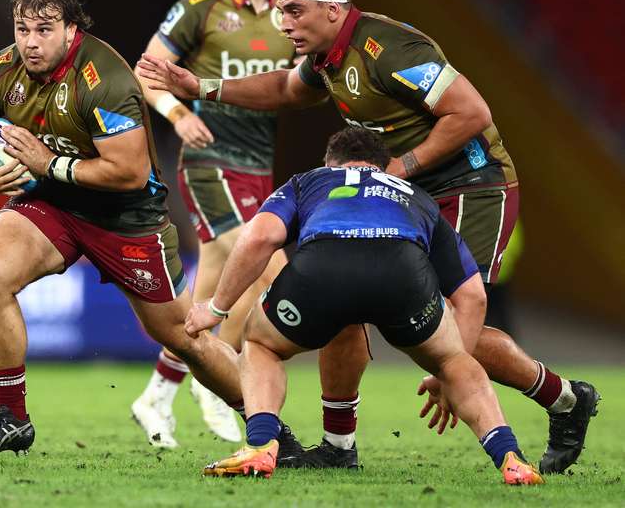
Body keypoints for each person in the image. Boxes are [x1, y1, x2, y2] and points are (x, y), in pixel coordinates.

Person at [137, 0, 599, 474]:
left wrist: (401, 168)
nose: (284, 23)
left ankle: (565, 399)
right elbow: (286, 88)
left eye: (294, 10)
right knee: (346, 302)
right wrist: (203, 88)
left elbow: (472, 112)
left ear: (333, 10)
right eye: (280, 12)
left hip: (471, 187)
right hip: (408, 190)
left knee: (447, 327)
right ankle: (339, 446)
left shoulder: (390, 49)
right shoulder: (326, 58)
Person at [0, 0, 269, 459]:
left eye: (44, 30)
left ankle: (267, 425)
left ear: (70, 30)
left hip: (126, 217)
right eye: (22, 29)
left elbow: (130, 173)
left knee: (184, 337)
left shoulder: (105, 80)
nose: (30, 42)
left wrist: (47, 163)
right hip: (53, 204)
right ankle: (12, 418)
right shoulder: (0, 70)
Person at [185, 127, 543, 485]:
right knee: (455, 360)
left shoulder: (309, 180)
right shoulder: (416, 195)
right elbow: (473, 296)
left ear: (330, 162)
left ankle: (262, 445)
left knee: (261, 343)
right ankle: (511, 458)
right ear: (383, 166)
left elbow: (259, 237)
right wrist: (445, 370)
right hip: (402, 273)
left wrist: (216, 308)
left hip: (324, 266)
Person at [131, 0, 294, 448]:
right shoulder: (199, 10)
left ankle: (158, 393)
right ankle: (222, 382)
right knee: (267, 267)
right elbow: (145, 72)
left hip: (260, 169)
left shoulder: (291, 15)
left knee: (212, 291)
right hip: (209, 163)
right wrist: (178, 115)